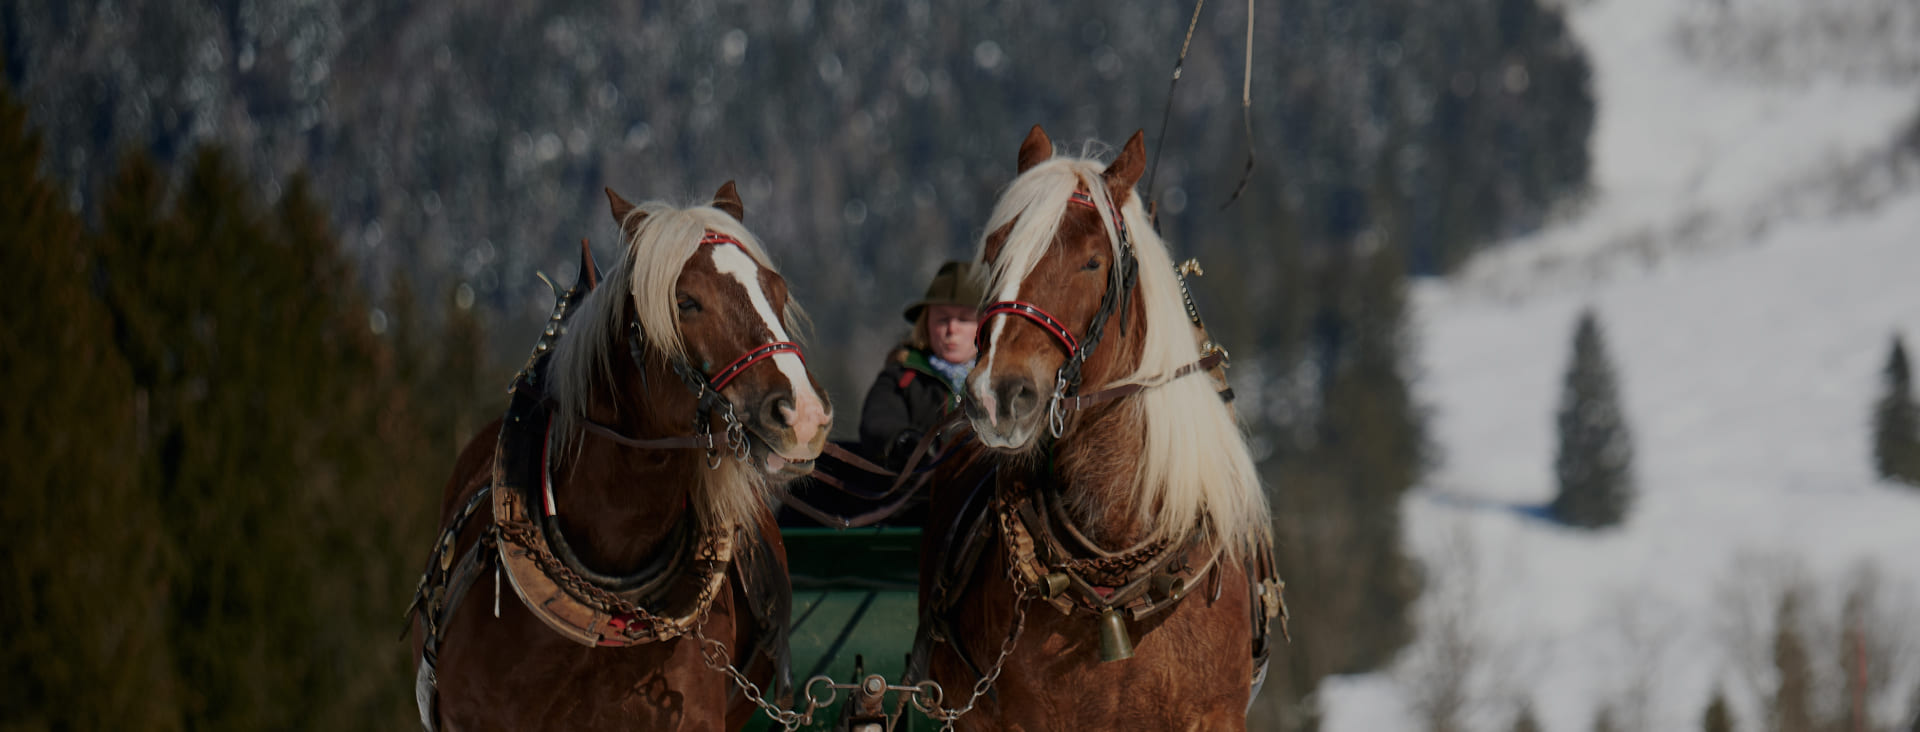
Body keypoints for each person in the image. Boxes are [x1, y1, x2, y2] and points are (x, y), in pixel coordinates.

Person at [858, 261, 987, 469]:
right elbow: (877, 421)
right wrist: (904, 441)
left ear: (983, 325)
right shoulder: (901, 376)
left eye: (963, 319)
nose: (952, 329)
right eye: (942, 319)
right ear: (926, 323)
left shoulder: (1000, 380)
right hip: (913, 491)